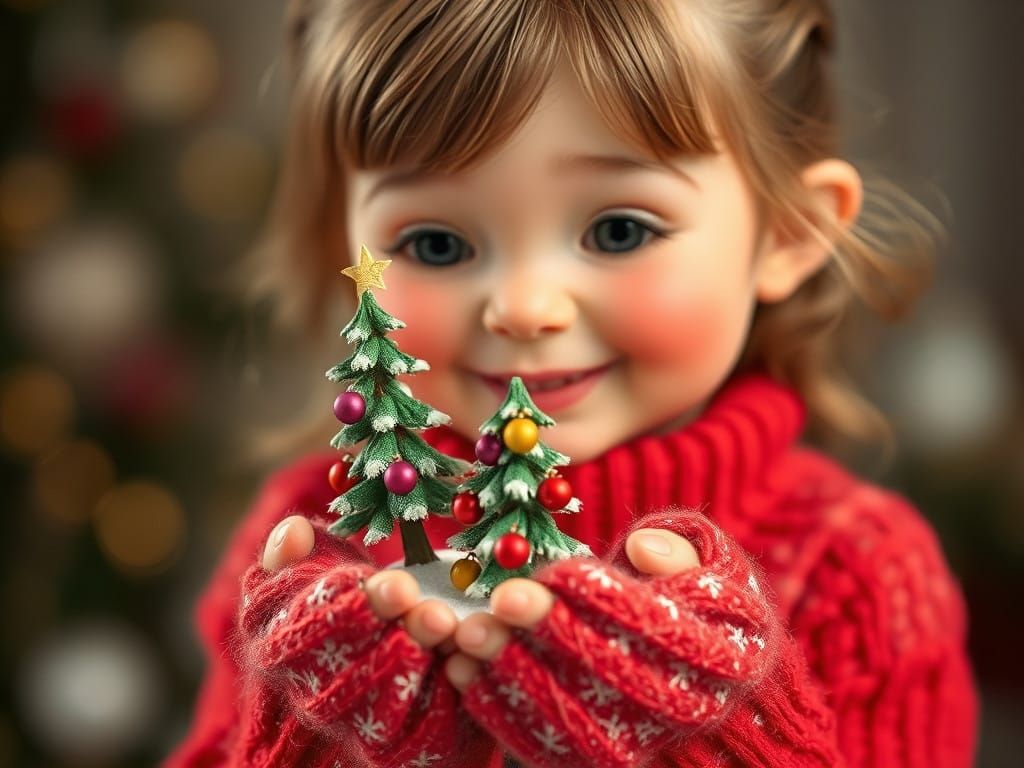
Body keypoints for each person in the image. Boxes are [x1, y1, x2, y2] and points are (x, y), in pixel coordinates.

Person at [166, 1, 979, 766]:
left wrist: (722, 736)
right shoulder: (312, 548)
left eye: (618, 230)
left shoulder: (858, 577)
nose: (523, 308)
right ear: (342, 237)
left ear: (790, 231)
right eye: (437, 244)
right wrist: (311, 737)